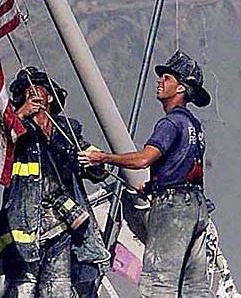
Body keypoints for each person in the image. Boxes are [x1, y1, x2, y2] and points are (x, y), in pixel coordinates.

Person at [78, 50, 213, 297]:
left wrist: (102, 157)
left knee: (159, 283)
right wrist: (153, 185)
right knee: (195, 287)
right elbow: (185, 166)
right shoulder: (194, 125)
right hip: (196, 206)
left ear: (181, 88)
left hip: (173, 209)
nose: (159, 81)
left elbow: (143, 160)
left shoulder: (171, 123)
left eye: (168, 78)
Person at [0, 66, 110, 298]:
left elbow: (96, 168)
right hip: (23, 225)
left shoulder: (67, 131)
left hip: (62, 223)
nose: (31, 93)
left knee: (57, 287)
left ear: (50, 96)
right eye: (25, 91)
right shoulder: (17, 130)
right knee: (23, 287)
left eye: (37, 88)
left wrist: (98, 162)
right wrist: (19, 115)